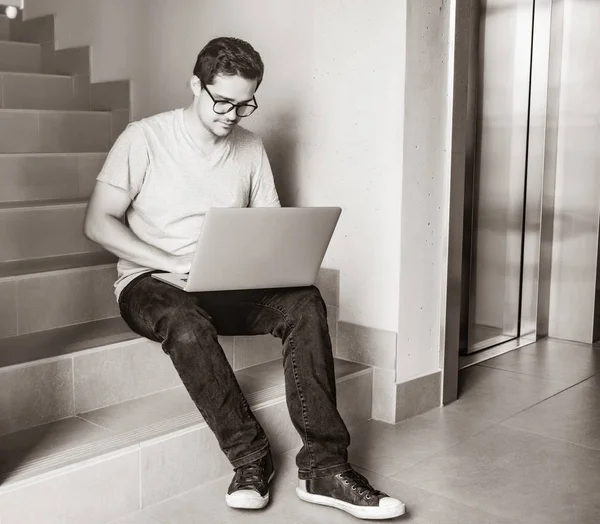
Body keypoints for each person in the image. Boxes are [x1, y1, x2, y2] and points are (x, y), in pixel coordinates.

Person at [83, 36, 405, 520]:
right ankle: (250, 458)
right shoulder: (144, 138)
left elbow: (267, 226)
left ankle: (324, 466)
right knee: (185, 321)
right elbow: (98, 221)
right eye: (223, 101)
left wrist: (273, 265)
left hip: (222, 283)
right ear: (196, 85)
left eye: (245, 103)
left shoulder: (250, 148)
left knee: (305, 302)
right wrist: (169, 264)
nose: (233, 114)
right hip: (151, 282)